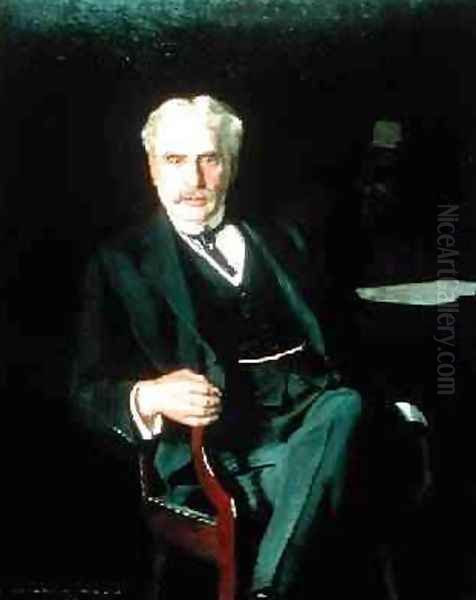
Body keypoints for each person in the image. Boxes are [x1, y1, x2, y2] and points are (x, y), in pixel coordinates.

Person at [70, 95, 362, 600]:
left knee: (344, 406)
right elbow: (85, 389)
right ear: (152, 169)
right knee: (334, 478)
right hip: (219, 452)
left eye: (210, 159)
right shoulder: (120, 262)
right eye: (175, 160)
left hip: (314, 420)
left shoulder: (283, 237)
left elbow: (339, 338)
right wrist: (150, 395)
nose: (194, 180)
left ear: (231, 165)